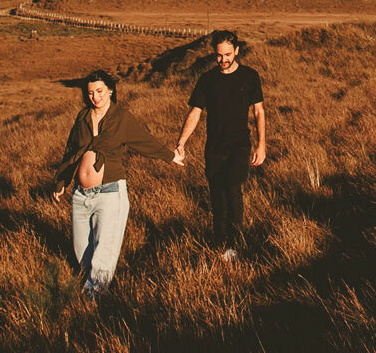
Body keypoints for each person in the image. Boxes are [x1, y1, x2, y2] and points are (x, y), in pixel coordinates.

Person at [51, 68, 172, 295]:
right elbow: (71, 151)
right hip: (80, 195)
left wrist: (170, 156)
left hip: (110, 193)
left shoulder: (121, 118)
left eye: (99, 91)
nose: (95, 97)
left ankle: (92, 300)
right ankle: (95, 289)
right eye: (90, 93)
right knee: (82, 251)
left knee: (104, 252)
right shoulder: (83, 117)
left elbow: (144, 140)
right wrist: (62, 181)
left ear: (110, 91)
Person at [172, 29, 266, 260]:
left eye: (227, 54)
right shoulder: (208, 80)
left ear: (236, 51)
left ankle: (235, 244)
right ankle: (220, 242)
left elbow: (259, 111)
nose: (222, 60)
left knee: (233, 189)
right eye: (218, 55)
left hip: (239, 146)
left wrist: (261, 144)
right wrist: (181, 142)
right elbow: (195, 112)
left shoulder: (250, 76)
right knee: (217, 196)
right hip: (214, 148)